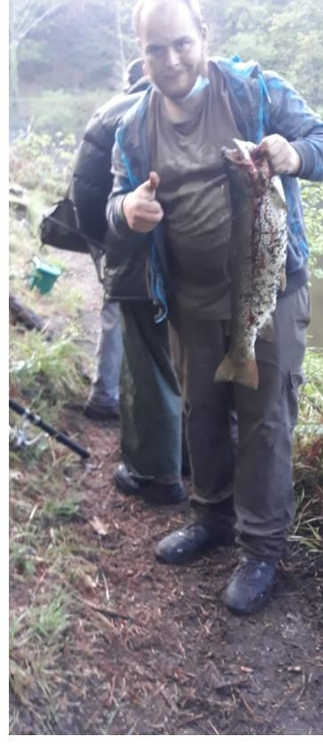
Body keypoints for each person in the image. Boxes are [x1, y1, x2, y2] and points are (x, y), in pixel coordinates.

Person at [104, 0, 323, 616]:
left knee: (266, 420)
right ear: (143, 53)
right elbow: (110, 204)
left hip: (270, 288)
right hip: (188, 296)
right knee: (202, 412)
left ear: (204, 37)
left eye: (182, 43)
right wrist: (128, 209)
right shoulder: (134, 127)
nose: (172, 59)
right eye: (156, 49)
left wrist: (294, 155)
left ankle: (262, 548)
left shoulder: (254, 93)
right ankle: (211, 518)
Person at [71, 58, 187, 505]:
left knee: (147, 364)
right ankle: (190, 461)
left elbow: (84, 188)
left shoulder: (112, 112)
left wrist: (102, 247)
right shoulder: (191, 109)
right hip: (193, 261)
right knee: (190, 363)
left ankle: (154, 473)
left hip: (136, 256)